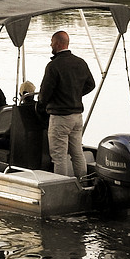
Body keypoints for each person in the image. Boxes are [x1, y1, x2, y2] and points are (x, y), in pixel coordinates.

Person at [37, 30, 95, 179]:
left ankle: (62, 187)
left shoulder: (53, 66)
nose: (50, 45)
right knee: (77, 153)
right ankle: (82, 182)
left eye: (52, 42)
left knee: (59, 156)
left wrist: (41, 106)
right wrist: (75, 95)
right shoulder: (80, 62)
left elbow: (44, 94)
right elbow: (91, 84)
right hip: (77, 117)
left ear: (57, 44)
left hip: (60, 118)